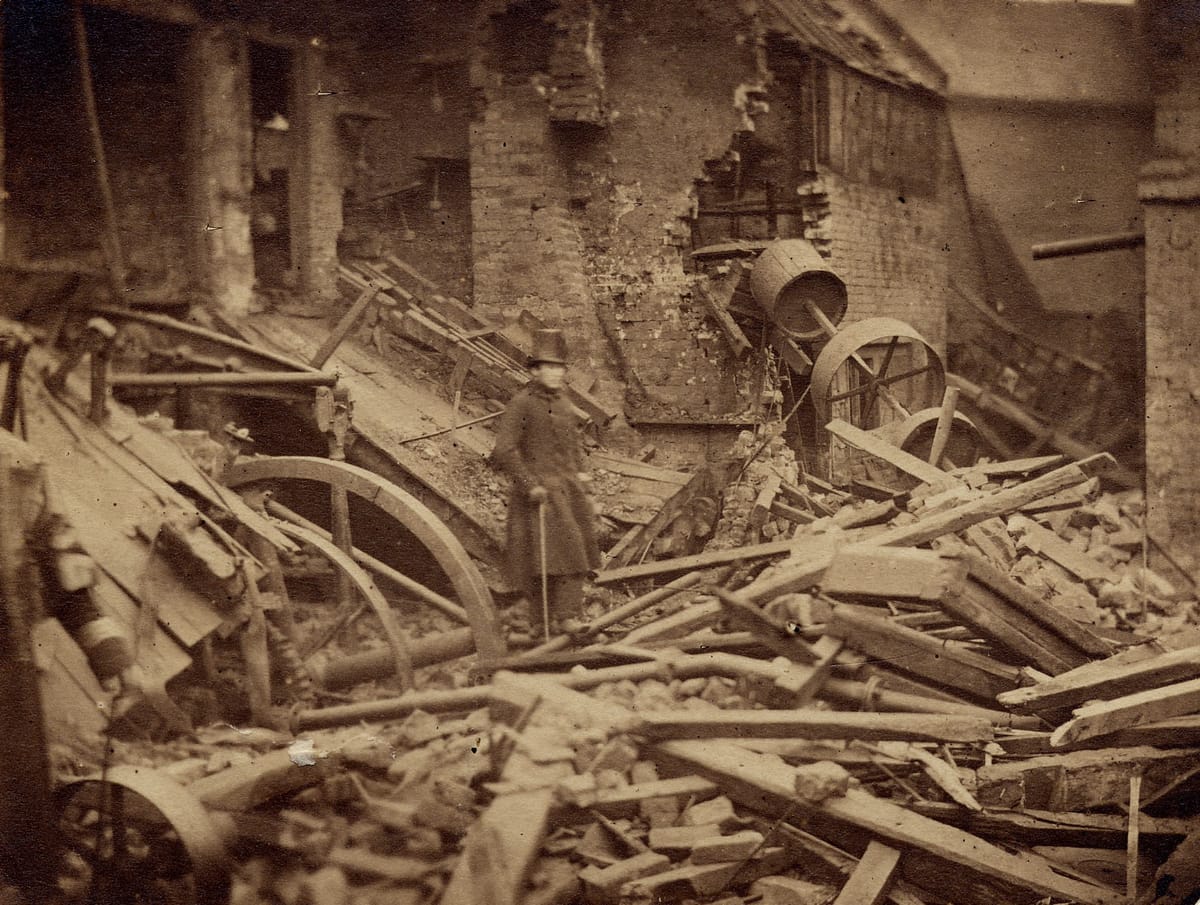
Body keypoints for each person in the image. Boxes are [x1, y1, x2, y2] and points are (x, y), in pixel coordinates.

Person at [490, 329, 600, 639]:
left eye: (559, 368)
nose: (554, 373)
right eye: (547, 367)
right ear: (535, 371)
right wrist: (528, 484)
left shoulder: (564, 402)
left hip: (569, 491)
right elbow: (505, 449)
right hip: (538, 494)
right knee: (550, 558)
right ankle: (558, 619)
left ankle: (549, 621)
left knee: (562, 556)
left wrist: (583, 478)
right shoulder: (522, 403)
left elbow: (573, 447)